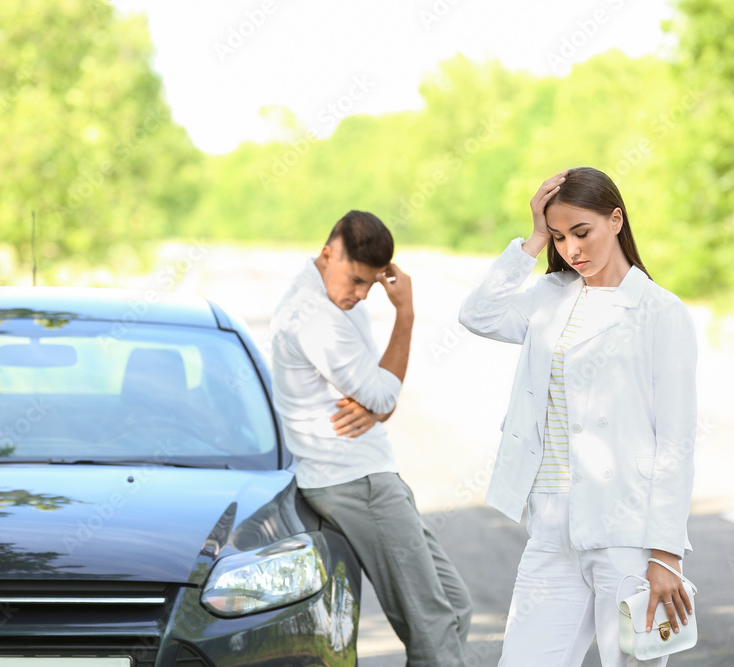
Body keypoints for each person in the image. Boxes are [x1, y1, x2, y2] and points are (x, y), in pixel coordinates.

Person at [458, 167, 698, 666]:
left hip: (626, 534)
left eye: (581, 232)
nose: (572, 249)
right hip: (551, 527)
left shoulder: (659, 312)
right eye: (561, 237)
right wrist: (534, 238)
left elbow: (675, 441)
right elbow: (478, 315)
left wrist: (666, 554)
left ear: (616, 219)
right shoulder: (551, 295)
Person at [270, 210, 473, 667]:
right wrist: (406, 313)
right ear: (328, 255)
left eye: (370, 285)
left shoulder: (335, 301)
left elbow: (385, 399)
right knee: (433, 627)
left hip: (371, 477)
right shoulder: (314, 317)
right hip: (355, 482)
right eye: (357, 280)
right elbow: (383, 393)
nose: (361, 295)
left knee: (455, 608)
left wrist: (381, 399)